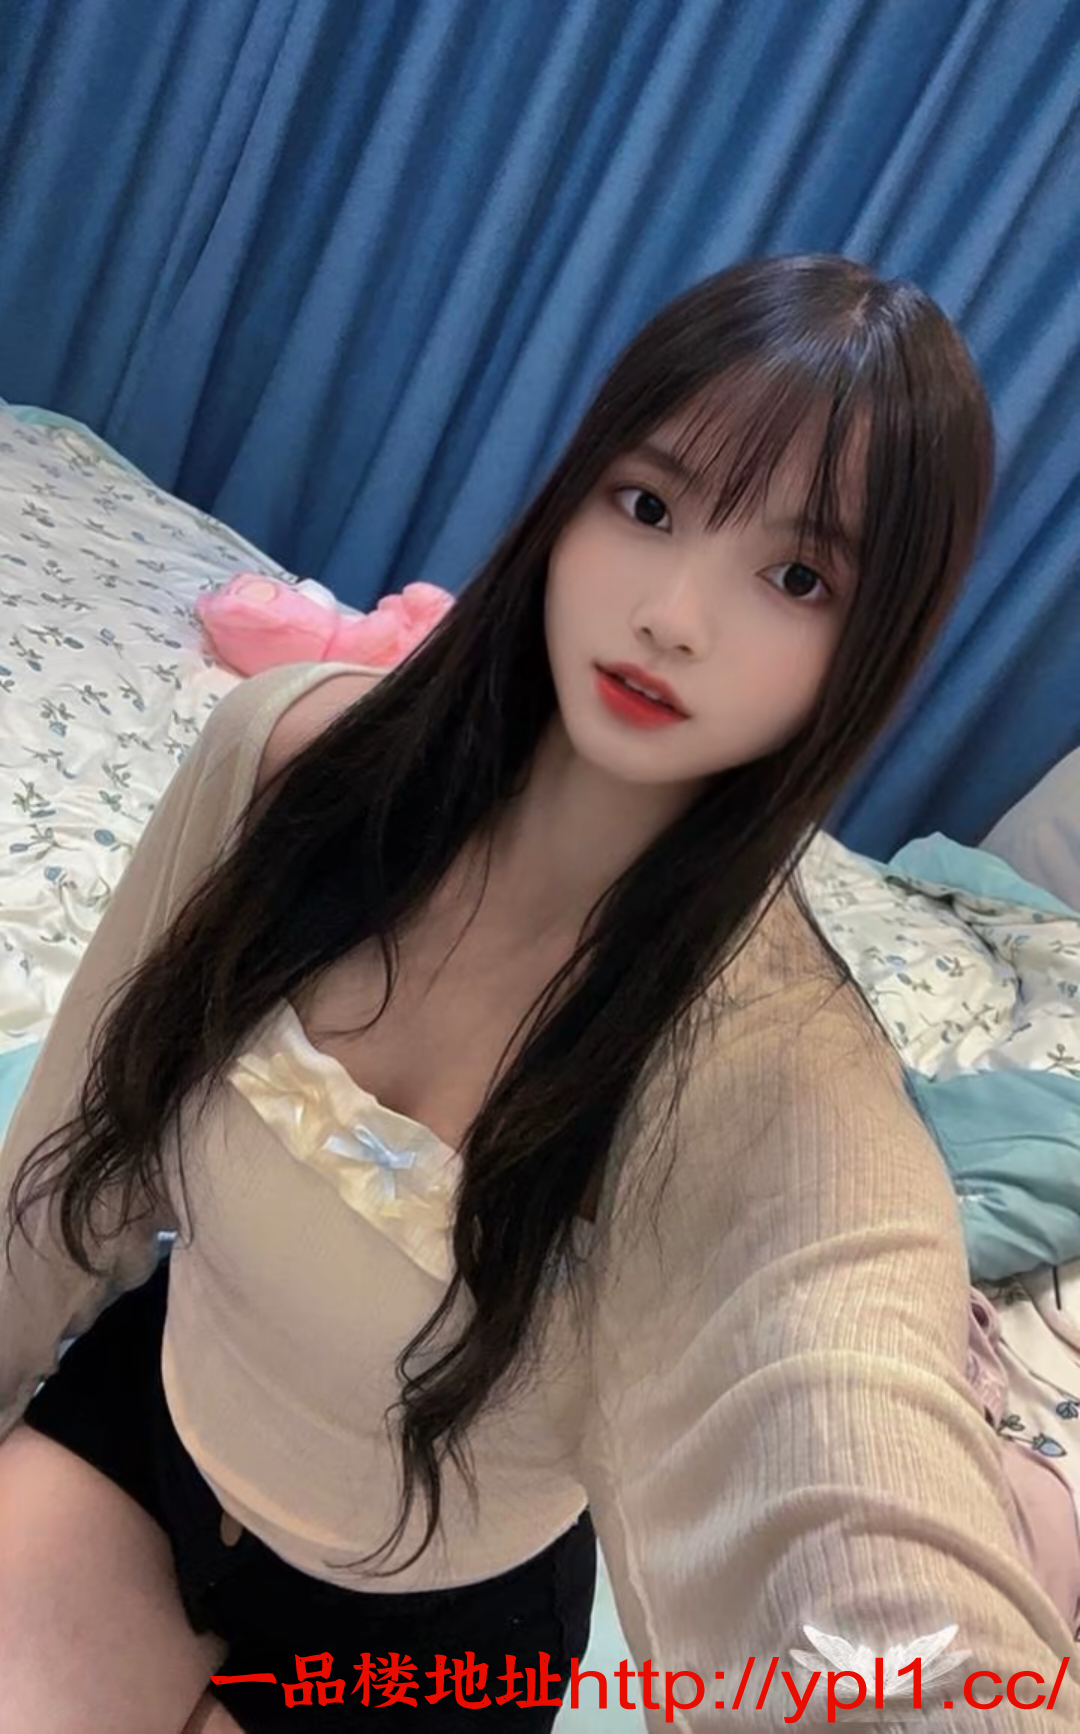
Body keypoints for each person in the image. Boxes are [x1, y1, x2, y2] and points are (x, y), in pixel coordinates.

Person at [0, 255, 1072, 1734]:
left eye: (798, 577)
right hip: (152, 1429)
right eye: (649, 503)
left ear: (868, 649)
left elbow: (865, 1496)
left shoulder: (781, 1071)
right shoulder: (288, 761)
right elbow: (74, 1152)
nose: (675, 615)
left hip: (438, 1634)